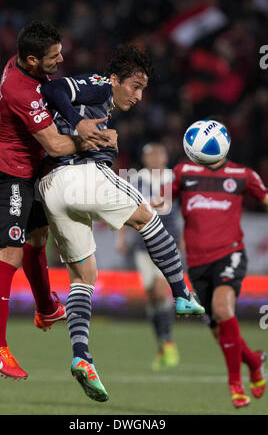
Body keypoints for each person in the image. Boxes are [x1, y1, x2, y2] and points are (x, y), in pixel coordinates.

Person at [38, 44, 205, 402]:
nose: (139, 95)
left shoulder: (101, 104)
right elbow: (52, 88)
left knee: (84, 278)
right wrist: (82, 126)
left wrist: (83, 130)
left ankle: (81, 356)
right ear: (115, 79)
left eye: (143, 89)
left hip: (51, 189)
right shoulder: (98, 83)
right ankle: (181, 293)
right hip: (80, 176)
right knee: (149, 216)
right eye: (135, 85)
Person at [0, 20, 112, 380]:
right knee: (9, 252)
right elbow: (55, 144)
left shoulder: (25, 64)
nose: (60, 59)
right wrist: (92, 139)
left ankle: (46, 307)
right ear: (31, 60)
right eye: (53, 56)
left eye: (60, 52)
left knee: (38, 240)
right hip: (11, 175)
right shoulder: (20, 89)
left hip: (32, 171)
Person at [172, 154, 268, 408]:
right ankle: (254, 362)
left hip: (230, 253)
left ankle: (235, 384)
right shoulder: (183, 172)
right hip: (196, 263)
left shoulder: (242, 175)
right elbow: (159, 202)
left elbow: (265, 198)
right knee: (218, 330)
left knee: (223, 308)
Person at [116, 143, 180, 371]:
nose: (155, 158)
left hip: (169, 242)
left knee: (162, 291)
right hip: (144, 245)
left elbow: (184, 210)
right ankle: (161, 343)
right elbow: (126, 208)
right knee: (152, 295)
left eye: (158, 153)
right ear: (144, 159)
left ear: (165, 156)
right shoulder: (135, 180)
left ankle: (169, 343)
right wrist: (121, 237)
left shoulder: (175, 178)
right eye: (150, 154)